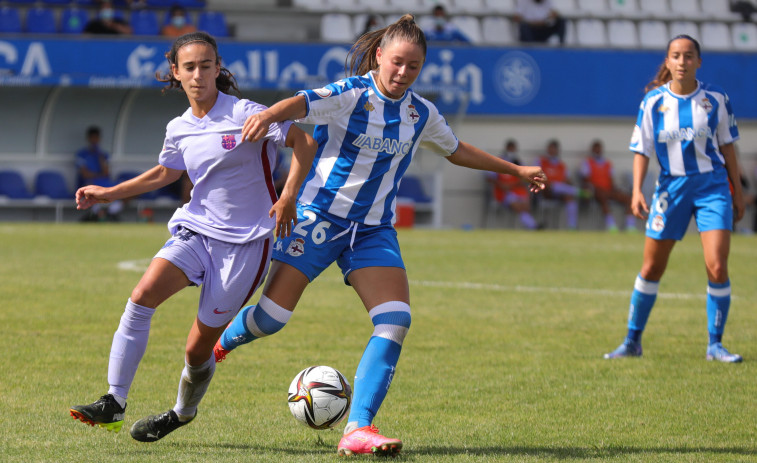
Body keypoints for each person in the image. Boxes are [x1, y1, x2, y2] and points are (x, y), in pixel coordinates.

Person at [212, 14, 547, 457]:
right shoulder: (351, 94)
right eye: (397, 63)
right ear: (378, 57)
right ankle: (217, 345)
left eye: (413, 67)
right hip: (319, 220)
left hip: (372, 231)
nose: (403, 73)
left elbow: (456, 149)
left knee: (395, 320)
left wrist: (517, 169)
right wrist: (268, 116)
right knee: (271, 319)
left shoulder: (419, 112)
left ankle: (358, 429)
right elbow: (301, 101)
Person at [69, 31, 317, 441]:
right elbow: (166, 172)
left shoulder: (244, 112)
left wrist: (289, 195)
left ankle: (182, 413)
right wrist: (107, 192)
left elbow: (303, 141)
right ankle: (113, 401)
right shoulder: (179, 127)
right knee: (142, 294)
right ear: (175, 72)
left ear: (218, 69)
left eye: (206, 66)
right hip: (197, 229)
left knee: (196, 352)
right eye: (190, 67)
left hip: (246, 243)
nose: (199, 74)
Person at [604, 35, 744, 363]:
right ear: (668, 62)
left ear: (698, 61)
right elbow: (642, 148)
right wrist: (637, 190)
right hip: (671, 190)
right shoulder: (653, 102)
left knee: (717, 264)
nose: (682, 62)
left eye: (688, 56)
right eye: (676, 56)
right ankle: (632, 341)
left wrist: (736, 190)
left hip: (712, 188)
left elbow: (728, 147)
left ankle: (715, 345)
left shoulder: (716, 99)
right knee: (652, 266)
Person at [579, 139, 636, 232]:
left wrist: (615, 190)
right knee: (603, 198)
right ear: (592, 150)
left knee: (627, 198)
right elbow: (585, 179)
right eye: (595, 149)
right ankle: (611, 225)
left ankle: (630, 226)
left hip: (608, 189)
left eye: (599, 149)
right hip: (596, 191)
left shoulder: (607, 163)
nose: (597, 151)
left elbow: (611, 180)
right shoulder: (587, 162)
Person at [486, 139, 540, 230]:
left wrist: (513, 185)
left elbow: (524, 177)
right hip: (504, 193)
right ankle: (533, 226)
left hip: (517, 192)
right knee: (517, 205)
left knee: (525, 205)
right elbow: (490, 177)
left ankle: (532, 225)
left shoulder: (518, 162)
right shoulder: (499, 161)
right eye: (510, 149)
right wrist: (501, 184)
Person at [75, 126, 123, 222]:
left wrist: (99, 156)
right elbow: (85, 174)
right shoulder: (81, 154)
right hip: (89, 183)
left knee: (124, 187)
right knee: (90, 188)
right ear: (88, 139)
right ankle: (97, 213)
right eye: (92, 138)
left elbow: (106, 173)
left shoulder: (103, 155)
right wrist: (98, 175)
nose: (94, 140)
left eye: (96, 138)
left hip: (104, 182)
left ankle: (110, 211)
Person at [537, 139, 579, 229]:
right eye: (550, 148)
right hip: (545, 190)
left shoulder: (561, 165)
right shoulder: (541, 161)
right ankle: (578, 192)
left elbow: (568, 180)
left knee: (569, 198)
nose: (552, 151)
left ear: (557, 150)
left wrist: (566, 183)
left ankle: (572, 227)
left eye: (554, 149)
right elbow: (534, 176)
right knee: (551, 185)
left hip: (559, 193)